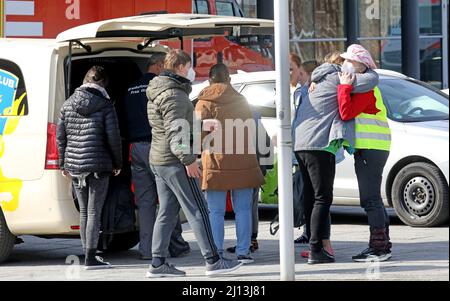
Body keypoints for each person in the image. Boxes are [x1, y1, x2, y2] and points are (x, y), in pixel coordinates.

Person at [146, 50, 243, 277]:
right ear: (181, 67)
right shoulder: (174, 94)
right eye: (189, 66)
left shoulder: (160, 89)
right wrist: (189, 160)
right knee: (198, 209)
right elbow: (175, 132)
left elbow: (172, 125)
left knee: (167, 212)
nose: (191, 71)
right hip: (175, 161)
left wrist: (201, 125)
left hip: (160, 159)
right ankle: (213, 261)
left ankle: (157, 263)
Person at [293, 54, 379, 264]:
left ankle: (319, 246)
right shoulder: (336, 78)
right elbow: (373, 79)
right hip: (320, 143)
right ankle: (315, 249)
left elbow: (300, 93)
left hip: (301, 143)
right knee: (323, 198)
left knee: (311, 198)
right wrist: (369, 67)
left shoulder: (317, 79)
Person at [123, 52, 190, 261]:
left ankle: (146, 250)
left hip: (135, 148)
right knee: (170, 198)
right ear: (160, 65)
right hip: (157, 147)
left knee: (145, 202)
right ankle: (176, 245)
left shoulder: (130, 88)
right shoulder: (161, 87)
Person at [195, 63, 265, 264]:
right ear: (229, 79)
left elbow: (198, 134)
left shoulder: (204, 102)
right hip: (243, 160)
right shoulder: (242, 100)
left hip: (216, 162)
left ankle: (216, 250)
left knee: (215, 211)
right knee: (242, 209)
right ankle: (243, 252)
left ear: (210, 79)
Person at [57, 66, 122, 270]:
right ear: (102, 84)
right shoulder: (105, 105)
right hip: (99, 165)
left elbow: (61, 138)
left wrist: (62, 164)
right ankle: (91, 258)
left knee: (84, 211)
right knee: (94, 211)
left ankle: (87, 253)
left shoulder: (67, 105)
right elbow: (113, 138)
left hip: (75, 166)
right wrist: (117, 163)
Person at [336, 44, 392, 262]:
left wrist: (343, 87)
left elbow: (345, 112)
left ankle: (378, 248)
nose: (346, 64)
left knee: (370, 200)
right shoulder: (365, 87)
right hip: (370, 148)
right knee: (373, 199)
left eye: (351, 61)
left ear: (362, 66)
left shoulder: (366, 89)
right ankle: (383, 244)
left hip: (371, 148)